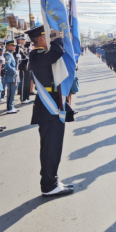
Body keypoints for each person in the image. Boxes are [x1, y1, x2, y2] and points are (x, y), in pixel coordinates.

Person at [26, 25, 74, 197]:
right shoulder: (36, 54)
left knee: (53, 146)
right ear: (40, 39)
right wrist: (58, 38)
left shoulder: (40, 54)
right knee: (50, 147)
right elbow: (56, 53)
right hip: (48, 107)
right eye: (48, 36)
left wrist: (55, 38)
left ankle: (51, 180)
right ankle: (49, 185)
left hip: (52, 104)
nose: (50, 40)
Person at [3, 40, 20, 114]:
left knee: (12, 93)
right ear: (8, 46)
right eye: (13, 45)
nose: (14, 47)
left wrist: (19, 59)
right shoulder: (7, 54)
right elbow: (7, 65)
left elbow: (14, 64)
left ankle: (11, 106)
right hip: (11, 76)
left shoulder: (10, 53)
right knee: (11, 93)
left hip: (13, 76)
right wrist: (14, 71)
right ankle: (10, 107)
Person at [15, 36, 32, 104]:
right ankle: (23, 98)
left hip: (27, 67)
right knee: (23, 83)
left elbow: (27, 55)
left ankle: (26, 97)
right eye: (23, 40)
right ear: (19, 40)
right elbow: (22, 58)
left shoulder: (23, 48)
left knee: (27, 83)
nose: (24, 41)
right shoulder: (18, 48)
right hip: (22, 67)